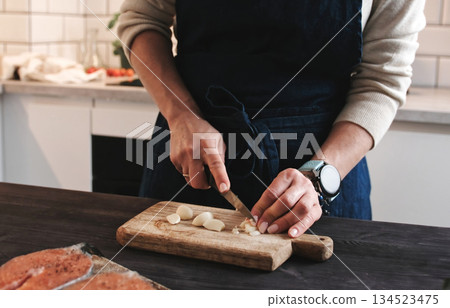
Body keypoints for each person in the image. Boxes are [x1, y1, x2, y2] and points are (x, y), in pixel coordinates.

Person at [118, 0, 425, 237]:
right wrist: (182, 115)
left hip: (325, 165)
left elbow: (382, 79)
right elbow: (142, 20)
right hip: (190, 154)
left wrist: (318, 175)